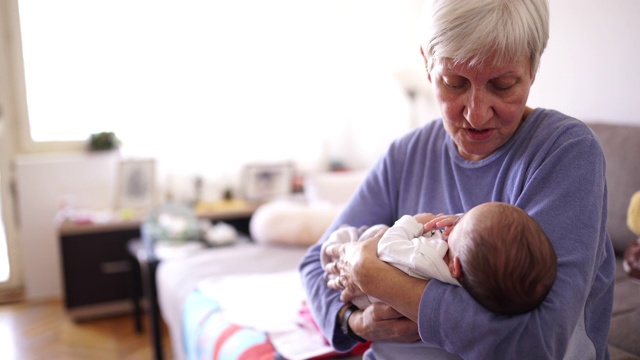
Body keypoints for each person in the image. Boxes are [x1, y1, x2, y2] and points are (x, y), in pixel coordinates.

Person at [298, 0, 616, 358]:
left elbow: (537, 342)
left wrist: (373, 274)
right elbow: (314, 263)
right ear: (427, 64)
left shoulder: (566, 151)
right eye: (454, 83)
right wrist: (356, 323)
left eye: (503, 85)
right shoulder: (407, 153)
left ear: (533, 68)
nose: (476, 114)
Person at [320, 202, 557, 316]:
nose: (453, 225)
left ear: (455, 267)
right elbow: (481, 235)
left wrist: (415, 222)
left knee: (356, 235)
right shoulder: (477, 274)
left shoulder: (428, 259)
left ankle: (330, 250)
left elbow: (386, 247)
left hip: (365, 294)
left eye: (458, 226)